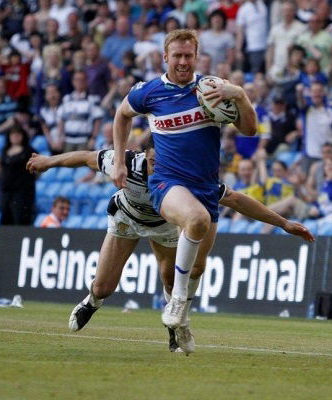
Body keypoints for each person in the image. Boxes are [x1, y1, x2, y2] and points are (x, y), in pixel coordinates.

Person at [26, 140, 314, 353]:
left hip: (164, 227)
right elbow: (86, 157)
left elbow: (236, 200)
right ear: (144, 157)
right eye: (151, 161)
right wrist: (48, 161)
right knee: (103, 287)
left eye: (160, 162)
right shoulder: (127, 162)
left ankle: (174, 328)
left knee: (171, 279)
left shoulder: (189, 178)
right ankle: (92, 302)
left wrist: (283, 223)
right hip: (128, 219)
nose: (155, 167)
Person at [110, 29, 258, 352]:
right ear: (165, 57)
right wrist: (119, 159)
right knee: (196, 219)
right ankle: (176, 302)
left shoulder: (212, 90)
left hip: (205, 186)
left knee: (198, 266)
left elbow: (250, 129)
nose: (182, 61)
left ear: (197, 56)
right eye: (176, 55)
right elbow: (122, 115)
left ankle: (183, 323)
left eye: (188, 55)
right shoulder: (148, 93)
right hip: (165, 183)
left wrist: (239, 94)